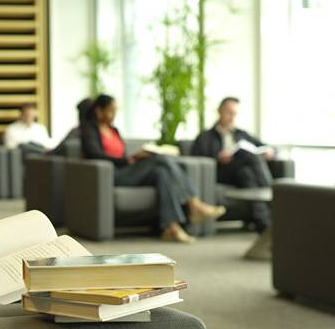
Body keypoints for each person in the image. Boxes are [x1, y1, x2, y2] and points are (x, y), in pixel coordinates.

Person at [80, 94, 225, 243]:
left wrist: (134, 157)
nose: (114, 115)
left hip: (127, 170)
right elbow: (94, 153)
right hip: (112, 175)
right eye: (111, 111)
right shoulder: (89, 130)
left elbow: (122, 154)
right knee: (161, 159)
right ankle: (194, 204)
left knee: (162, 173)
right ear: (99, 111)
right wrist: (128, 160)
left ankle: (171, 228)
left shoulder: (114, 130)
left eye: (115, 111)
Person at [191, 97, 274, 232]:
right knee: (251, 157)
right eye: (229, 113)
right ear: (219, 111)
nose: (232, 117)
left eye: (234, 114)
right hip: (220, 172)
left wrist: (270, 151)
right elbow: (197, 160)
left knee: (247, 174)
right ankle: (271, 191)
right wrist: (217, 157)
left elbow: (265, 147)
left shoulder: (242, 134)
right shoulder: (205, 136)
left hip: (239, 173)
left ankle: (264, 225)